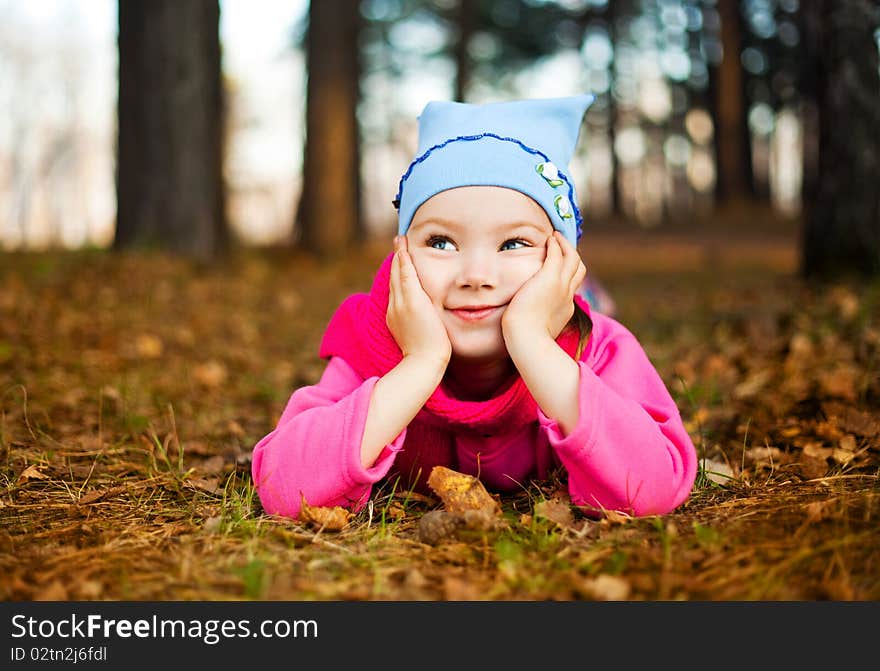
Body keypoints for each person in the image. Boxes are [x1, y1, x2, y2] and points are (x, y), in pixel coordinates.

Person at [251, 95, 697, 521]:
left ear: (561, 259)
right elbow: (284, 488)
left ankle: (593, 293)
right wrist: (420, 363)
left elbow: (653, 488)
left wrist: (535, 345)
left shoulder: (597, 349)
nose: (476, 275)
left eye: (513, 243)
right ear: (402, 256)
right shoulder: (371, 343)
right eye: (441, 242)